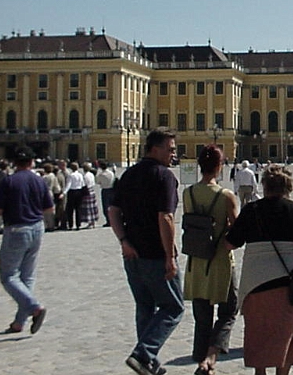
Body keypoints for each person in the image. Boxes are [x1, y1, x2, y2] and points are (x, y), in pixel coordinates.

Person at [226, 164, 293, 375]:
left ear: (265, 185)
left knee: (258, 333)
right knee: (288, 335)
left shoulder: (252, 209)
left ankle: (260, 372)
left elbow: (230, 244)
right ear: (288, 186)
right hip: (289, 283)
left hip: (255, 282)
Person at [109, 128, 185, 375]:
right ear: (155, 148)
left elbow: (113, 211)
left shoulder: (129, 174)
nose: (173, 154)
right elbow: (165, 217)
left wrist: (123, 240)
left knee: (145, 307)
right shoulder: (164, 177)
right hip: (155, 253)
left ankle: (147, 363)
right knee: (174, 307)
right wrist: (170, 257)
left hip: (132, 253)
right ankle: (144, 354)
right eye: (170, 148)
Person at [184, 144, 239, 375]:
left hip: (196, 259)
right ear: (219, 167)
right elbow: (238, 231)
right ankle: (211, 356)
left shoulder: (188, 193)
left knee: (202, 315)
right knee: (228, 310)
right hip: (220, 259)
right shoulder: (226, 196)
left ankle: (201, 362)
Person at [0, 146, 52, 334]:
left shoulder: (9, 181)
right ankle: (19, 322)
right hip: (37, 227)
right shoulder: (39, 180)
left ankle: (34, 306)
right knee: (27, 276)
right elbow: (48, 209)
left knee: (8, 276)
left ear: (14, 163)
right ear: (32, 162)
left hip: (17, 228)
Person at [63, 161, 85, 231]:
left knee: (70, 209)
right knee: (78, 209)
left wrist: (64, 192)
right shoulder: (80, 175)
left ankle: (70, 225)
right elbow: (82, 184)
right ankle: (78, 224)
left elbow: (68, 185)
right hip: (79, 191)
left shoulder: (71, 175)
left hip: (72, 192)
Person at [97, 161, 116, 227]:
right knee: (112, 205)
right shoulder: (111, 173)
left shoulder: (101, 174)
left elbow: (97, 181)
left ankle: (108, 221)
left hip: (105, 190)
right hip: (112, 189)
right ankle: (114, 220)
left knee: (106, 207)